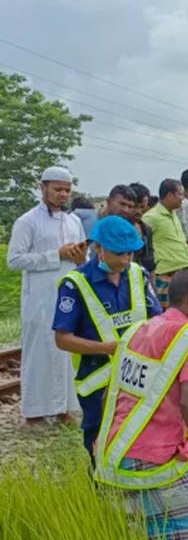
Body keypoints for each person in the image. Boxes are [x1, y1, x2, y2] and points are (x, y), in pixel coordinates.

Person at [93, 268, 188, 538]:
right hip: (153, 460)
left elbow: (109, 392)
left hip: (113, 454)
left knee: (154, 531)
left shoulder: (136, 331)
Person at [53, 216, 161, 462]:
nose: (125, 260)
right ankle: (101, 493)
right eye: (118, 253)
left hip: (138, 375)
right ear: (98, 248)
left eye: (130, 254)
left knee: (139, 437)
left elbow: (157, 319)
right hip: (97, 380)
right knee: (100, 442)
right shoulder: (75, 284)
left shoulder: (138, 275)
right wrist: (107, 348)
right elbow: (63, 339)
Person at [7, 166, 88, 426]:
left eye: (67, 190)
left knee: (66, 351)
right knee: (40, 351)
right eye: (57, 189)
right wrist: (56, 255)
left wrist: (79, 258)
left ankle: (63, 408)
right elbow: (15, 260)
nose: (63, 194)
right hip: (40, 298)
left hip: (68, 295)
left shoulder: (74, 221)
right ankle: (34, 413)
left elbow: (83, 256)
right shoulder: (27, 221)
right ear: (42, 188)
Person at [144, 179, 188, 308]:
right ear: (170, 195)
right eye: (180, 194)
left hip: (182, 274)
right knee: (168, 313)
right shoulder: (151, 218)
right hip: (165, 276)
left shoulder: (174, 214)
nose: (182, 198)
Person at [128, 183, 157, 278]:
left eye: (142, 207)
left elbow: (150, 263)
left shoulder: (146, 229)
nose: (139, 211)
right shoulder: (117, 229)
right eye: (135, 206)